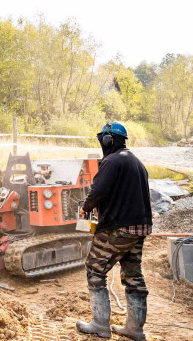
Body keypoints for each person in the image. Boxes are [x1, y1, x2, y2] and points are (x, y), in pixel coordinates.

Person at [76, 122, 152, 341]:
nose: (102, 142)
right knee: (133, 276)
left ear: (108, 139)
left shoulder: (111, 161)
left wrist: (86, 207)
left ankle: (100, 324)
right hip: (139, 228)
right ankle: (135, 329)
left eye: (103, 138)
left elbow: (98, 191)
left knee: (95, 269)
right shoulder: (136, 161)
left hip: (117, 228)